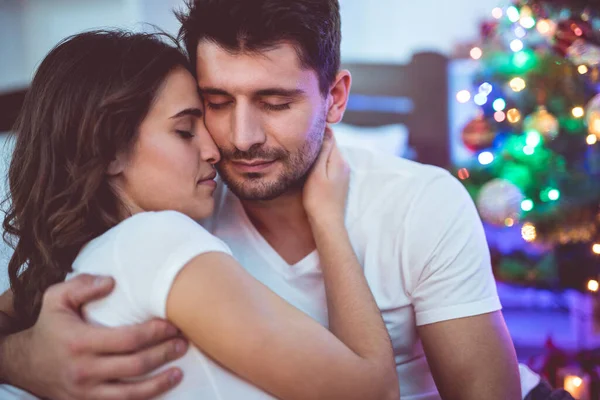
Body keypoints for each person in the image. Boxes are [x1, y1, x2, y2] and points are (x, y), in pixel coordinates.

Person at [0, 1, 523, 399]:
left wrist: (328, 221)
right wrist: (22, 358)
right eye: (215, 103)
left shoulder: (420, 204)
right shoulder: (181, 199)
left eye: (274, 103)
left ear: (335, 98)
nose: (238, 138)